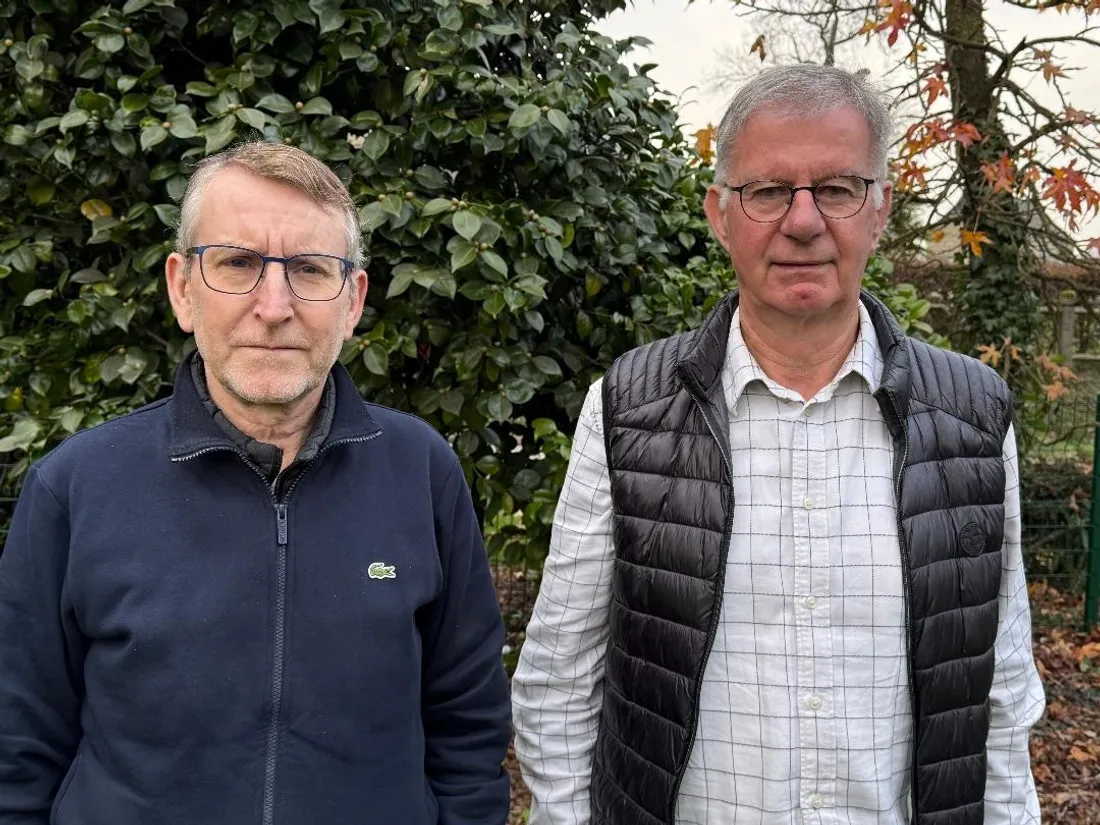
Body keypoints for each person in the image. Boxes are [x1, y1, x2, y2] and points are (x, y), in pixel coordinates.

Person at [512, 64, 1045, 825]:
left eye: (837, 188)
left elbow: (1000, 693)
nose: (803, 221)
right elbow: (559, 683)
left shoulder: (972, 416)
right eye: (767, 191)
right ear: (720, 214)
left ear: (880, 210)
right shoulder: (629, 409)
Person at [0, 141, 511, 824]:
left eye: (309, 269)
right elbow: (17, 752)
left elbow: (468, 731)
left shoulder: (422, 472)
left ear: (353, 302)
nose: (274, 306)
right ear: (182, 288)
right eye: (237, 263)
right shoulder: (74, 487)